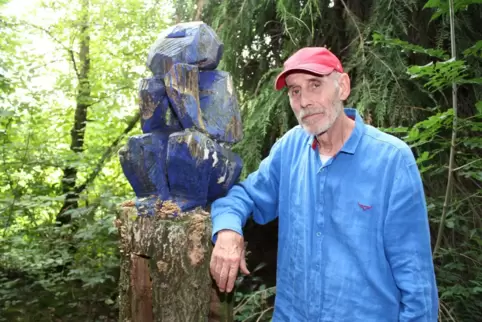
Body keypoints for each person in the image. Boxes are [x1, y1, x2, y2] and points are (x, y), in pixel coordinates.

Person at [209, 47, 439, 321]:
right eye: (295, 91)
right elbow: (243, 195)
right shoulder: (290, 149)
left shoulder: (392, 160)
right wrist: (227, 230)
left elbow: (416, 279)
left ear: (342, 86)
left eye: (314, 85)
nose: (304, 100)